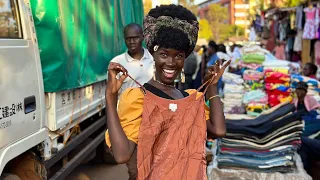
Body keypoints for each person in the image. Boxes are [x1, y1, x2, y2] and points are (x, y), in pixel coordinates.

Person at [105, 4, 229, 179]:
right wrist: (110, 97)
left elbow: (218, 130)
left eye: (178, 56)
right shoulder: (139, 98)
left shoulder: (190, 98)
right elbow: (122, 155)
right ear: (153, 56)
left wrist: (212, 86)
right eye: (164, 54)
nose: (171, 63)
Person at [110, 23, 154, 96]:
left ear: (143, 37)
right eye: (128, 39)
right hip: (127, 107)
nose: (132, 42)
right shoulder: (117, 62)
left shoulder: (154, 58)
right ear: (124, 39)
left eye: (135, 38)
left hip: (152, 106)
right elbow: (112, 92)